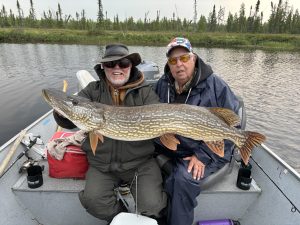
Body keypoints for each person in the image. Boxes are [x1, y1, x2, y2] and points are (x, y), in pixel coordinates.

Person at [53, 44, 167, 223]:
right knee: (93, 201)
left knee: (154, 206)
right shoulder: (92, 90)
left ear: (131, 66)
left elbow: (161, 122)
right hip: (102, 164)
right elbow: (70, 119)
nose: (117, 69)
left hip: (140, 163)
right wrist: (61, 112)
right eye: (111, 64)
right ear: (103, 67)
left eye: (123, 64)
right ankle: (120, 216)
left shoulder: (145, 93)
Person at [155, 37, 240, 225]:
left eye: (184, 58)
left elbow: (233, 127)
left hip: (205, 150)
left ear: (194, 58)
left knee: (183, 180)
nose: (179, 65)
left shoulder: (216, 86)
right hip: (172, 148)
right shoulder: (163, 84)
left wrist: (203, 156)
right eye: (173, 61)